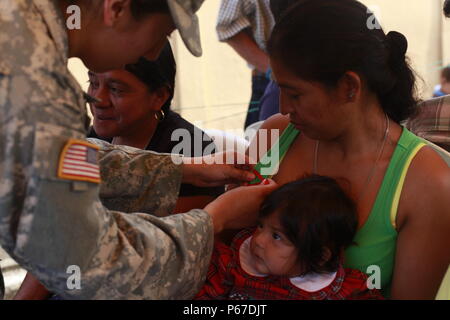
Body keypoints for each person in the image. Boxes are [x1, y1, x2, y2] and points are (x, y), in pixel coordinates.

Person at [0, 0, 278, 300]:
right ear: (117, 9)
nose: (154, 54)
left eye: (116, 89)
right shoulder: (34, 78)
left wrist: (186, 169)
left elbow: (61, 160)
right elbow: (81, 253)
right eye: (160, 36)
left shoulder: (21, 33)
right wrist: (214, 220)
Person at [248, 0, 450, 299]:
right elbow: (226, 256)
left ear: (349, 87)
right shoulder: (273, 136)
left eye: (295, 94)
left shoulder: (428, 182)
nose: (284, 108)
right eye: (279, 90)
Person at [87, 43, 224, 213]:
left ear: (159, 96)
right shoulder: (92, 140)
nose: (98, 100)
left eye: (116, 89)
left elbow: (180, 233)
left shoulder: (192, 148)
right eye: (93, 83)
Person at [195, 176, 383, 300]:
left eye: (277, 236)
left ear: (319, 256)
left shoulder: (346, 292)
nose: (259, 240)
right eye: (260, 226)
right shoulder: (234, 264)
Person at [216, 0, 274, 129]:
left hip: (322, 77)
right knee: (267, 146)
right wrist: (273, 70)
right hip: (271, 80)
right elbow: (228, 26)